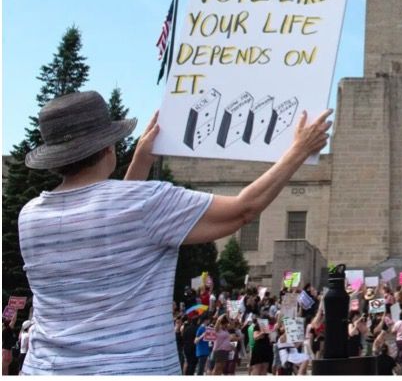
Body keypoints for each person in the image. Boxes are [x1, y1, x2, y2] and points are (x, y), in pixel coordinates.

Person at [16, 90, 333, 375]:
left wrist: (140, 160)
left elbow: (110, 225)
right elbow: (244, 209)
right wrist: (299, 150)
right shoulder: (146, 202)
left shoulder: (30, 216)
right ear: (108, 147)